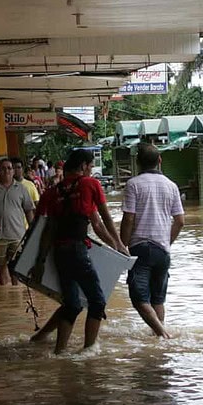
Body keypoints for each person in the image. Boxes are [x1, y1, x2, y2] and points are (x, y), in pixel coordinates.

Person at [30, 149, 128, 354]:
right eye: (91, 166)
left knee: (73, 303)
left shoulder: (53, 192)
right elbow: (104, 221)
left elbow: (44, 229)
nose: (91, 170)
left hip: (59, 252)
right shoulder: (90, 184)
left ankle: (59, 353)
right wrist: (119, 245)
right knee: (97, 301)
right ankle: (89, 350)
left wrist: (39, 261)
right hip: (77, 251)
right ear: (83, 165)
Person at [120, 142, 185, 339]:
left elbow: (129, 218)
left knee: (139, 298)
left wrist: (122, 244)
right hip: (163, 251)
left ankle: (163, 335)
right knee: (158, 299)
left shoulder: (133, 185)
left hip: (141, 249)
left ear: (138, 162)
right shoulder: (172, 186)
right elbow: (180, 221)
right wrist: (166, 242)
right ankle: (157, 342)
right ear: (159, 161)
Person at [0, 158, 35, 286]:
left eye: (9, 168)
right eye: (3, 168)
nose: (7, 171)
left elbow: (29, 210)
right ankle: (4, 290)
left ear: (13, 171)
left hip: (18, 235)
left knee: (16, 265)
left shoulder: (21, 189)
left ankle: (15, 292)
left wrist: (32, 230)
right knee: (1, 265)